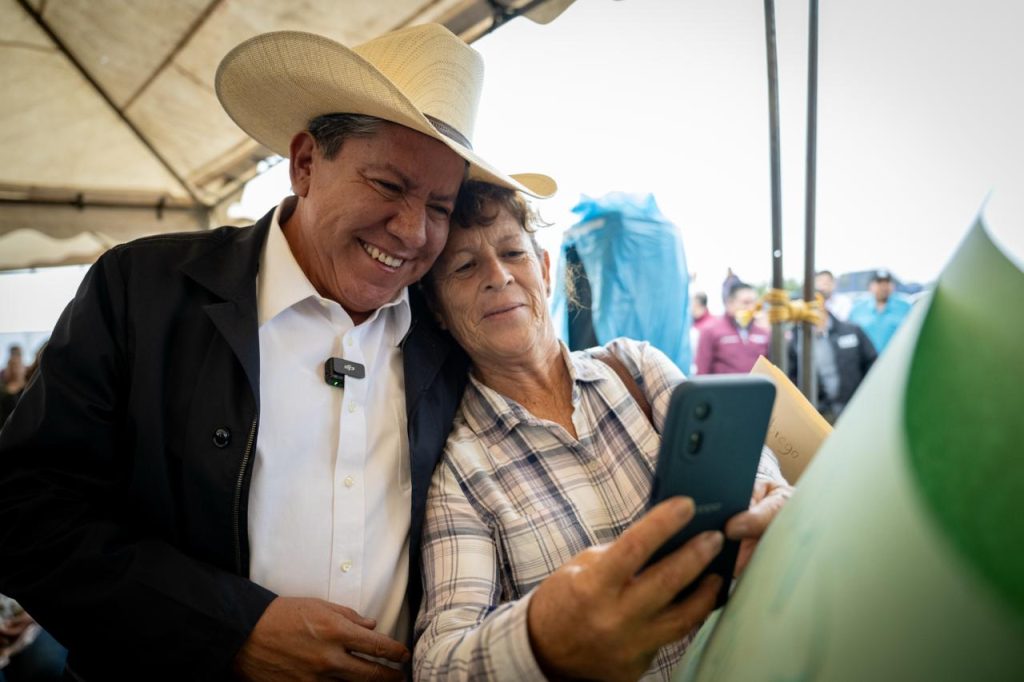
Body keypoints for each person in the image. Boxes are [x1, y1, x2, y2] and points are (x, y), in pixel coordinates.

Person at [0, 25, 554, 681]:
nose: (412, 231)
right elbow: (25, 509)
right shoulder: (143, 290)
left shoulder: (444, 332)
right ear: (305, 163)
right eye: (387, 185)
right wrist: (231, 631)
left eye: (439, 205)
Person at [413, 181, 791, 680]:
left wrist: (768, 494)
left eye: (512, 253)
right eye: (464, 267)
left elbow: (748, 465)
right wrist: (539, 640)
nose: (498, 276)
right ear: (438, 310)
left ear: (545, 269)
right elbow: (438, 662)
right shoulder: (461, 472)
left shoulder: (635, 367)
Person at [787, 309, 877, 423]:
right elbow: (790, 376)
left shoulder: (851, 331)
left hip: (855, 408)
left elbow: (872, 363)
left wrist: (867, 398)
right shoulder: (795, 340)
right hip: (820, 413)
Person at [694, 282, 770, 374]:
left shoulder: (764, 333)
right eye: (746, 303)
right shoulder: (710, 331)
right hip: (723, 383)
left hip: (756, 383)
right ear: (730, 304)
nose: (751, 307)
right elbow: (702, 371)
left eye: (753, 303)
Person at [848, 269, 913, 354]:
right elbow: (851, 337)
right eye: (879, 283)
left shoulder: (905, 307)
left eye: (887, 283)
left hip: (896, 358)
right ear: (870, 286)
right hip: (867, 360)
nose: (883, 287)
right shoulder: (858, 309)